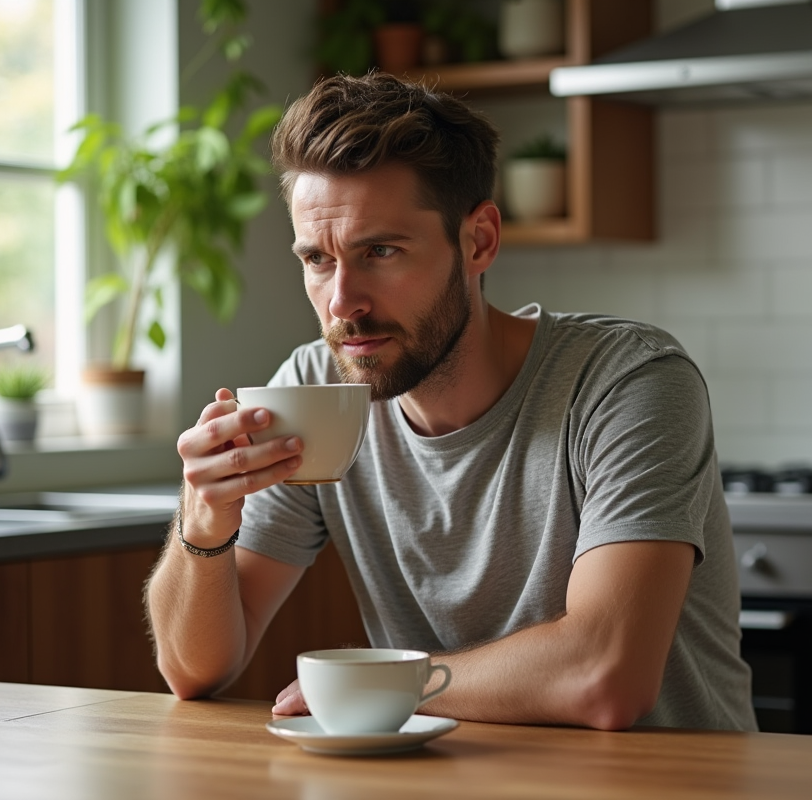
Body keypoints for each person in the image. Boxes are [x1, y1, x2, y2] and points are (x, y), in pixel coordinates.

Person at [145, 72, 756, 732]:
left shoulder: (626, 381)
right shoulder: (315, 391)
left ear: (479, 241)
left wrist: (376, 684)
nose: (342, 301)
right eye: (317, 259)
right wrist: (203, 522)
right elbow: (195, 670)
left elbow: (602, 677)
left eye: (380, 251)